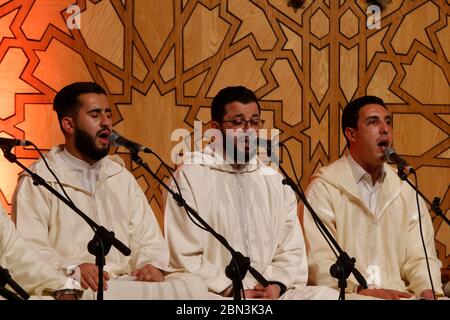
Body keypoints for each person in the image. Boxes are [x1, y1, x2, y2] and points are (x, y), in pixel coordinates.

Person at [12, 82, 207, 300]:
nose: (106, 123)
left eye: (108, 114)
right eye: (95, 115)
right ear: (68, 124)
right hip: (79, 283)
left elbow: (148, 239)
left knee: (193, 285)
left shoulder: (119, 176)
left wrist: (150, 265)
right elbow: (28, 251)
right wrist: (75, 267)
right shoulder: (39, 179)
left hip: (127, 282)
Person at [164, 86, 338, 300]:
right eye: (238, 122)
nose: (249, 131)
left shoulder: (274, 180)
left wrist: (275, 285)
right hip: (216, 293)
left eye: (255, 122)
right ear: (215, 129)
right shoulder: (190, 177)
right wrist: (230, 288)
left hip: (270, 292)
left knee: (327, 297)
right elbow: (184, 255)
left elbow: (290, 250)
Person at [302, 95, 444, 300]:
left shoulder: (404, 188)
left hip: (398, 294)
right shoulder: (325, 188)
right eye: (373, 122)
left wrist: (426, 289)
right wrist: (360, 290)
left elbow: (420, 255)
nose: (385, 129)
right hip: (349, 294)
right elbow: (319, 259)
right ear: (351, 134)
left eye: (388, 122)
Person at [0, 206, 82, 300]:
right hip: (66, 268)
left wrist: (63, 287)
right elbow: (37, 246)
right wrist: (74, 267)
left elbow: (15, 251)